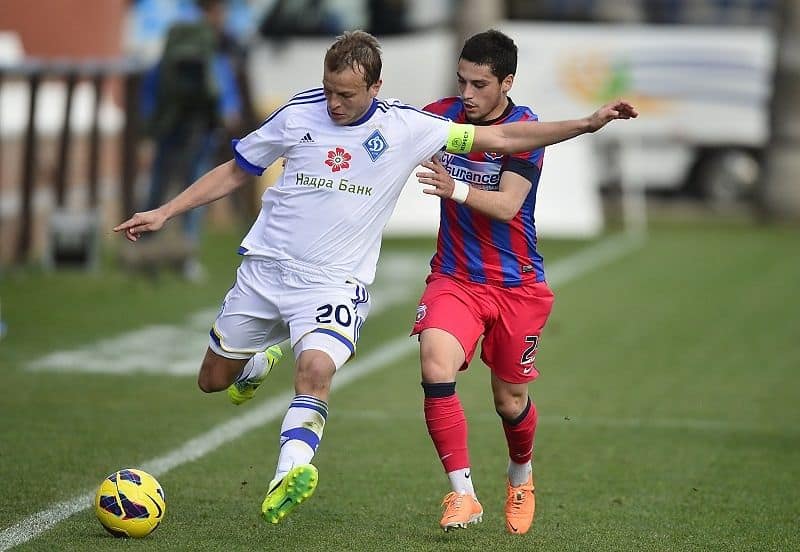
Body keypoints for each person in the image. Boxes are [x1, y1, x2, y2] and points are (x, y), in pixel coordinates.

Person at [114, 30, 637, 526]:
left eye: (346, 94)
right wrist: (165, 211)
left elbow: (506, 141)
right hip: (274, 272)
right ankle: (262, 358)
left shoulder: (405, 128)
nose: (335, 104)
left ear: (375, 88)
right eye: (329, 91)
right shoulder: (301, 115)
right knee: (214, 381)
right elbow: (237, 167)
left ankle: (290, 474)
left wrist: (586, 123)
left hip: (360, 283)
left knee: (334, 373)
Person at [410, 29, 567, 534]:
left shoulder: (526, 131)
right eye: (462, 82)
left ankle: (520, 475)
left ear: (507, 82)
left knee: (509, 401)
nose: (468, 95)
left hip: (516, 285)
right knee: (435, 360)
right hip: (455, 278)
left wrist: (453, 187)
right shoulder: (441, 115)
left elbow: (506, 206)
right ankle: (463, 495)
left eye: (480, 84)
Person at [139, 0, 243, 281]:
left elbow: (153, 86)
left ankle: (144, 252)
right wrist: (227, 113)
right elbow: (224, 92)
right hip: (199, 131)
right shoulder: (209, 49)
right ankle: (186, 258)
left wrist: (150, 129)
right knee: (196, 191)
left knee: (158, 190)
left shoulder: (177, 38)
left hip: (170, 127)